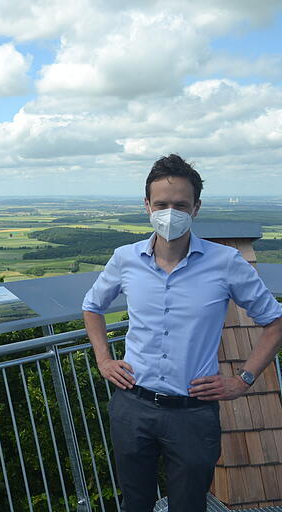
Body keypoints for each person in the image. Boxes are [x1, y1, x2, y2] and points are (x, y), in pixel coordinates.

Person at [82, 154, 282, 512]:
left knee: (189, 505)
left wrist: (243, 379)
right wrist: (103, 360)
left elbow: (275, 321)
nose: (169, 212)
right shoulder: (125, 258)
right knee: (136, 503)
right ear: (147, 205)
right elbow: (92, 306)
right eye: (161, 204)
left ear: (196, 208)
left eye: (180, 205)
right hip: (132, 405)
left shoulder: (226, 262)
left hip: (193, 413)